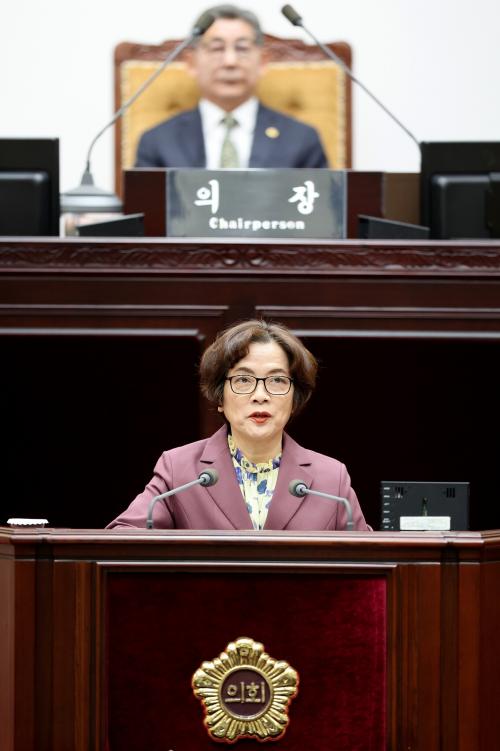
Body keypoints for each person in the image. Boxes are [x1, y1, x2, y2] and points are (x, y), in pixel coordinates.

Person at [107, 319, 370, 531]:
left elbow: (370, 562)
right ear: (220, 397)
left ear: (294, 398)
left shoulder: (331, 479)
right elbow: (122, 540)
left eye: (277, 380)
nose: (260, 395)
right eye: (243, 380)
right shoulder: (179, 469)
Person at [135, 4, 328, 169]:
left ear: (263, 61)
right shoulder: (158, 141)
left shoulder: (301, 139)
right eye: (217, 48)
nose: (230, 61)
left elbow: (323, 200)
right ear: (191, 62)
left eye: (242, 48)